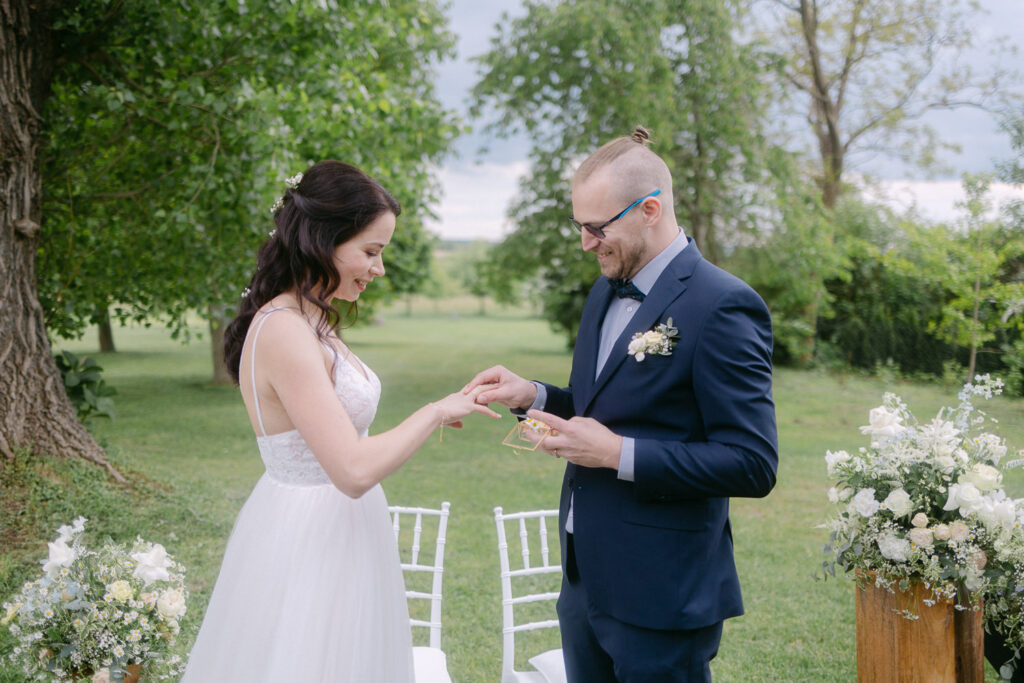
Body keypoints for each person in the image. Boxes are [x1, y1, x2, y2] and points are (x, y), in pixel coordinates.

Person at [466, 127, 778, 682]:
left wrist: (617, 453)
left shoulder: (723, 305)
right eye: (578, 226)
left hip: (662, 592)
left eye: (596, 227)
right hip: (584, 581)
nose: (586, 243)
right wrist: (533, 395)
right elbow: (602, 407)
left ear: (650, 209)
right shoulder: (603, 289)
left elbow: (752, 462)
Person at [182, 160, 498, 682]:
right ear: (322, 240)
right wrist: (436, 410)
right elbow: (350, 470)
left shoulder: (315, 319)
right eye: (370, 252)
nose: (378, 269)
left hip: (344, 530)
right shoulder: (284, 329)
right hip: (309, 535)